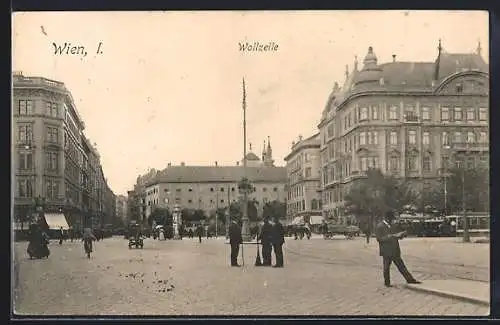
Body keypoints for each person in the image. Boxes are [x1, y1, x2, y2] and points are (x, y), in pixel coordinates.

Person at [375, 211, 422, 287]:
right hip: (386, 251)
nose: (392, 220)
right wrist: (391, 236)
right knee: (386, 267)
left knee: (401, 266)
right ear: (386, 218)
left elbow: (397, 235)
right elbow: (379, 239)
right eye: (391, 219)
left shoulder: (393, 225)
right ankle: (387, 283)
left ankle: (410, 279)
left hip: (395, 249)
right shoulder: (380, 226)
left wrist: (401, 235)